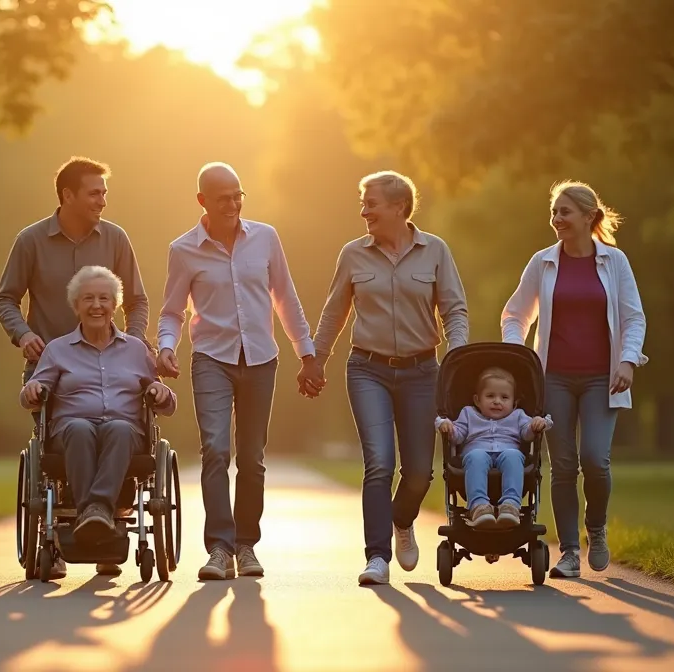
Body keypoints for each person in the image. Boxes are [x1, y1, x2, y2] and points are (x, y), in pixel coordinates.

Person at [308, 170, 469, 586]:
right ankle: (377, 556)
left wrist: (457, 357)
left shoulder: (435, 251)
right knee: (379, 462)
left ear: (399, 207)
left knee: (419, 472)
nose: (364, 211)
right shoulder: (353, 254)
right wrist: (316, 358)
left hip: (421, 372)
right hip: (367, 369)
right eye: (363, 204)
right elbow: (333, 311)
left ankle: (401, 519)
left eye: (371, 203)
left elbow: (454, 310)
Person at [156, 162, 316, 581]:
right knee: (215, 450)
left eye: (237, 195)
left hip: (261, 358)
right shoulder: (183, 250)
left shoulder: (265, 238)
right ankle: (219, 549)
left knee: (251, 457)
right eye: (223, 197)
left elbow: (286, 297)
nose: (232, 204)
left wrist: (308, 353)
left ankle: (246, 546)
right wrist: (167, 347)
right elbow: (172, 311)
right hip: (211, 356)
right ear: (202, 201)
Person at [0, 156, 150, 579]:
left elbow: (137, 300)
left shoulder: (116, 238)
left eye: (104, 192)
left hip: (113, 362)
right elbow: (5, 298)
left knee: (117, 429)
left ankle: (104, 528)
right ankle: (64, 537)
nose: (103, 199)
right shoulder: (31, 241)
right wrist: (23, 335)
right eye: (94, 192)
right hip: (51, 367)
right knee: (63, 443)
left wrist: (132, 346)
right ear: (68, 196)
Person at [501, 180, 647, 579]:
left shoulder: (614, 262)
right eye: (554, 212)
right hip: (555, 380)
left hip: (603, 379)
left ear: (588, 217)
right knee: (563, 466)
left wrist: (628, 362)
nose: (557, 219)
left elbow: (633, 317)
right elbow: (515, 315)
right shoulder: (543, 262)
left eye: (565, 212)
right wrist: (520, 356)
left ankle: (595, 530)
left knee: (595, 461)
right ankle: (568, 551)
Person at [20, 267, 177, 566]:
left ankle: (96, 511)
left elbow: (168, 406)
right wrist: (33, 388)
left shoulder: (136, 350)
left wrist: (160, 390)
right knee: (79, 428)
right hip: (71, 431)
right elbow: (30, 395)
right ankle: (94, 511)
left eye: (104, 298)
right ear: (76, 305)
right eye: (88, 298)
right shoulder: (57, 350)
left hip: (125, 433)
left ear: (115, 305)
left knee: (118, 428)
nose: (96, 305)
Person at [436, 367, 552, 528]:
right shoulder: (468, 413)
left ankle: (511, 505)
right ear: (477, 400)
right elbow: (458, 435)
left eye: (504, 397)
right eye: (490, 396)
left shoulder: (518, 415)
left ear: (514, 402)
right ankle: (479, 506)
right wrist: (448, 427)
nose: (497, 401)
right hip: (476, 452)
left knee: (513, 455)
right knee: (476, 456)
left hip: (508, 451)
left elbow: (527, 434)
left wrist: (535, 425)